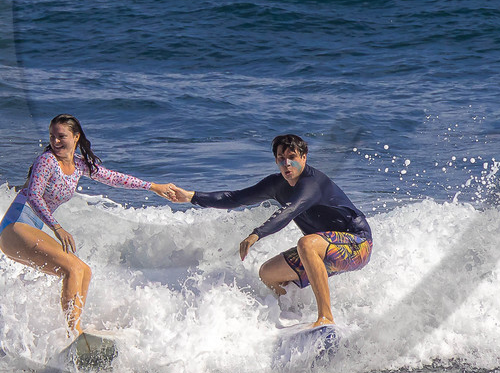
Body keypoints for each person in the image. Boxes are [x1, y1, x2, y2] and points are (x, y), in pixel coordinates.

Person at [156, 134, 371, 328]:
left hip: (357, 244)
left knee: (306, 244)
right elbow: (235, 198)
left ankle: (326, 317)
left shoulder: (312, 183)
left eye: (292, 157)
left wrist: (256, 234)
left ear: (304, 157)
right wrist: (191, 196)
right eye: (280, 158)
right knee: (268, 273)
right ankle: (293, 315)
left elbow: (290, 211)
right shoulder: (277, 184)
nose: (287, 164)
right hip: (323, 248)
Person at [0, 114, 185, 335]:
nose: (55, 142)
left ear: (76, 137)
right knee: (72, 268)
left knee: (84, 271)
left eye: (61, 136)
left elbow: (114, 178)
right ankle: (74, 332)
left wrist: (153, 187)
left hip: (27, 230)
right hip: (15, 227)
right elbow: (35, 196)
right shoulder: (46, 161)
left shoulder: (78, 165)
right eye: (52, 136)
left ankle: (74, 331)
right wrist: (57, 228)